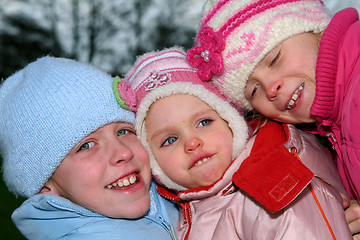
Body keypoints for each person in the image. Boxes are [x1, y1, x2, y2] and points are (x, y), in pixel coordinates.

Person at [114, 46, 353, 239]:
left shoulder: (273, 187)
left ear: (232, 123)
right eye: (170, 140)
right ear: (153, 161)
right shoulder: (190, 209)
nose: (192, 143)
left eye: (204, 122)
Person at [187, 0, 360, 224]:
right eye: (254, 90)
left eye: (275, 59)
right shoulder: (331, 129)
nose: (270, 89)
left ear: (313, 27)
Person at [0, 56, 178, 240]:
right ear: (46, 187)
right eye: (86, 146)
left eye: (123, 131)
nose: (123, 152)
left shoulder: (174, 191)